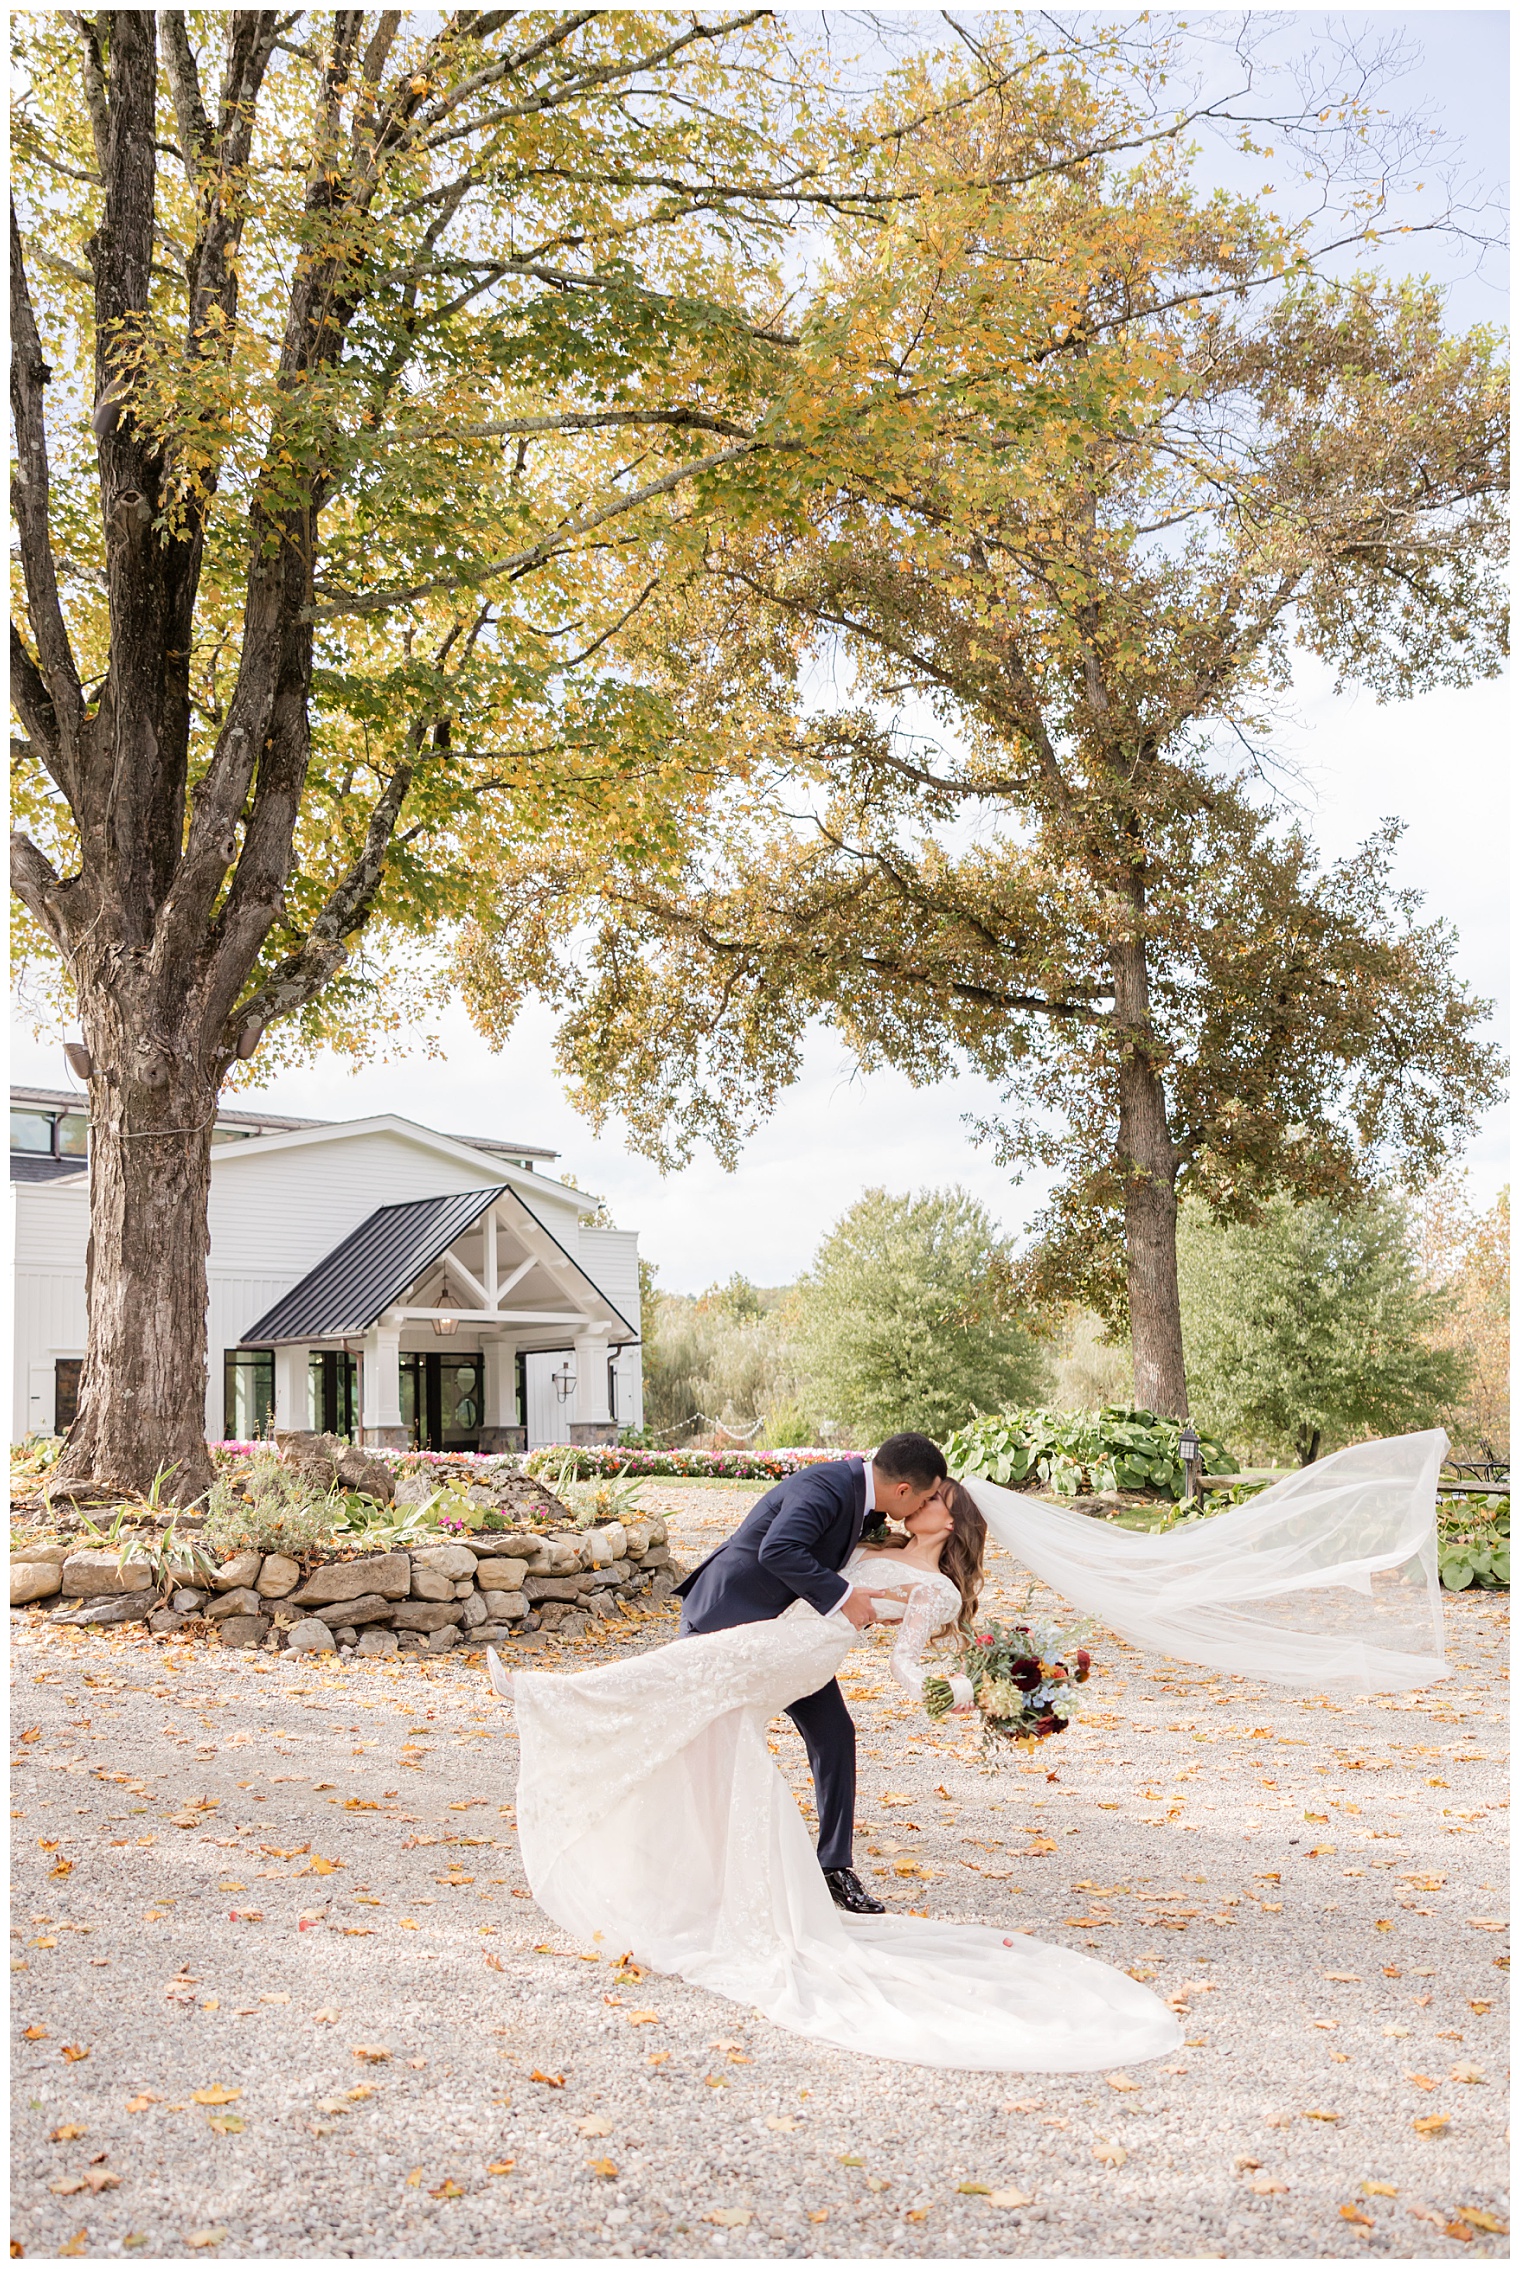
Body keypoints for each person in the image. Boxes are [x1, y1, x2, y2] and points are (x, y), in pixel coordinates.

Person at [487, 1454, 1183, 2072]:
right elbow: (797, 1553)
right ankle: (713, 1877)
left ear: (951, 1519)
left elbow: (911, 1669)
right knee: (699, 1699)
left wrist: (973, 1691)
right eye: (930, 1493)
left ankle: (542, 1697)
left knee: (690, 1673)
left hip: (804, 1648)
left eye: (939, 1500)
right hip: (786, 1629)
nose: (925, 1503)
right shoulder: (869, 1532)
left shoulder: (936, 1587)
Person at [673, 1430, 948, 1913]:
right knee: (692, 1732)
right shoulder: (826, 1487)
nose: (927, 1504)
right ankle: (690, 1860)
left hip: (787, 1638)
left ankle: (834, 1866)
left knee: (835, 1734)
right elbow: (777, 1550)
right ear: (904, 1489)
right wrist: (846, 1598)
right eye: (926, 1496)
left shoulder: (868, 1506)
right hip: (728, 1616)